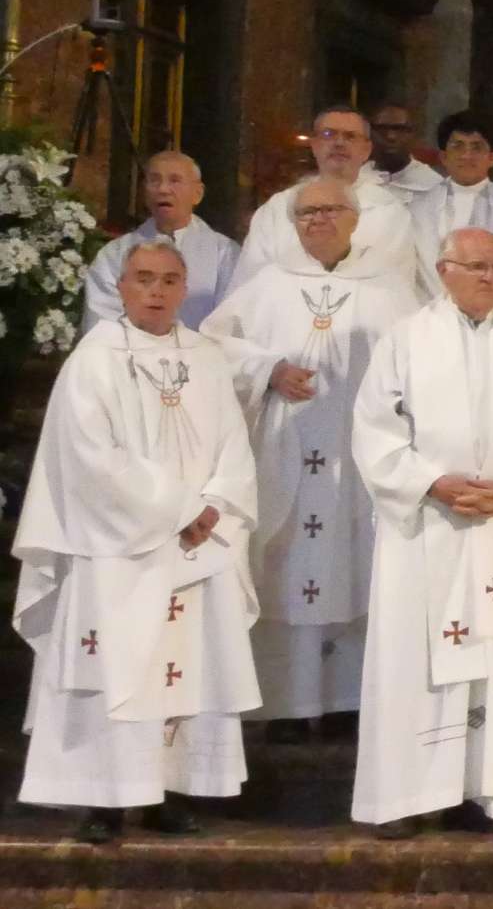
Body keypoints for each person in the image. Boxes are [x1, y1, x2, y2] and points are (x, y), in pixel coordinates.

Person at [14, 240, 258, 845]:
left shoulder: (204, 356)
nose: (156, 291)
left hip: (196, 544)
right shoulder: (94, 359)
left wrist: (215, 505)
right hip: (116, 549)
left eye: (170, 280)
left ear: (185, 289)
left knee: (182, 665)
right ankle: (102, 799)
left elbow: (234, 443)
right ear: (122, 288)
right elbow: (90, 457)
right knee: (116, 663)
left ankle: (164, 793)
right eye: (144, 279)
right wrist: (179, 508)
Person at [349, 228, 493, 837]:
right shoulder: (406, 340)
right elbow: (374, 429)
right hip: (427, 528)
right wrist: (431, 483)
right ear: (444, 270)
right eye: (476, 267)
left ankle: (489, 793)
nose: (490, 277)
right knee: (415, 658)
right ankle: (412, 796)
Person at [199, 178, 424, 740]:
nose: (317, 220)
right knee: (287, 562)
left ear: (355, 219)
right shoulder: (269, 283)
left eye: (329, 210)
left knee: (358, 564)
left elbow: (425, 360)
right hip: (285, 450)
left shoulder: (390, 289)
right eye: (306, 213)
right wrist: (267, 370)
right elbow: (212, 344)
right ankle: (286, 706)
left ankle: (350, 702)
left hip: (360, 460)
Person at [235, 107, 421, 294]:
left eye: (350, 136)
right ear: (314, 145)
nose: (339, 143)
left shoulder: (389, 212)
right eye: (328, 134)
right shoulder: (278, 208)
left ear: (366, 150)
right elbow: (249, 283)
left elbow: (396, 286)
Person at [83, 150, 239, 331]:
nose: (163, 189)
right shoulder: (114, 254)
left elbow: (233, 324)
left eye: (175, 180)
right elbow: (102, 323)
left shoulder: (225, 254)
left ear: (198, 193)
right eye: (154, 180)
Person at [408, 110, 493, 291]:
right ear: (444, 157)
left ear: (492, 158)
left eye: (477, 147)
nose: (466, 156)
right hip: (432, 307)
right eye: (458, 146)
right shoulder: (418, 207)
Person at [369, 105, 443, 204]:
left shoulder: (434, 186)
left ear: (414, 134)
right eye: (382, 128)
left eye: (400, 129)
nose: (391, 136)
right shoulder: (356, 178)